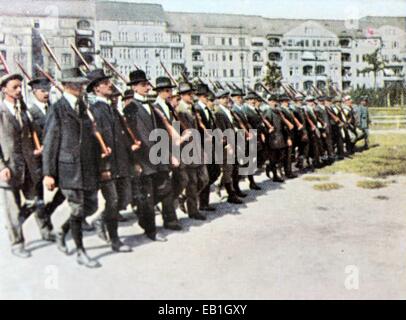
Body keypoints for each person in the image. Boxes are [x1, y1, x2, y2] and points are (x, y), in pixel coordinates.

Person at [42, 67, 105, 268]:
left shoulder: (82, 107)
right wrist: (48, 174)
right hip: (68, 169)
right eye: (75, 83)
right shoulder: (58, 109)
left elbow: (90, 139)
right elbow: (50, 143)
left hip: (88, 168)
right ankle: (80, 251)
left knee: (91, 206)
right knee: (77, 209)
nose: (80, 87)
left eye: (81, 83)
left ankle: (62, 230)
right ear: (65, 86)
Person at [124, 69, 176, 241]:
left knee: (165, 188)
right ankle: (151, 230)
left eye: (147, 84)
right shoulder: (130, 108)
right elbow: (130, 135)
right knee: (149, 195)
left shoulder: (151, 106)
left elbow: (161, 131)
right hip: (144, 158)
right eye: (143, 85)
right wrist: (135, 161)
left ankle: (144, 216)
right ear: (134, 87)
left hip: (158, 155)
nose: (147, 87)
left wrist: (168, 154)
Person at [86, 69, 134, 252]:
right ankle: (115, 241)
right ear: (97, 88)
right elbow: (96, 142)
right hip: (107, 166)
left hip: (121, 163)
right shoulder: (94, 111)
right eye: (106, 83)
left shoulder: (111, 108)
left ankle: (101, 219)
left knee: (123, 199)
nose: (110, 85)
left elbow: (120, 138)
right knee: (113, 201)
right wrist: (103, 166)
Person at [0, 72, 45, 258]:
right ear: (4, 90)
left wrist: (35, 150)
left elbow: (28, 136)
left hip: (28, 166)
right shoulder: (1, 112)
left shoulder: (24, 110)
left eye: (20, 87)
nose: (19, 90)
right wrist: (1, 167)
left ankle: (13, 224)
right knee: (12, 207)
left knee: (34, 201)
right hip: (8, 168)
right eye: (14, 88)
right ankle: (17, 242)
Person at [28, 77, 65, 239]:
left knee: (64, 190)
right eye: (42, 91)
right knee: (38, 197)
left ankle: (47, 213)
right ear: (34, 92)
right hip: (36, 160)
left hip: (53, 157)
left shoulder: (53, 109)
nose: (46, 93)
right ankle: (44, 229)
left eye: (47, 90)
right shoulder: (29, 112)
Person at [177, 82, 210, 219]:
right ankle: (193, 210)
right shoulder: (179, 110)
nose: (192, 96)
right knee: (192, 182)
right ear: (182, 95)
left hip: (197, 148)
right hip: (187, 150)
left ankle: (184, 197)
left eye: (192, 93)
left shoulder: (192, 109)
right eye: (189, 94)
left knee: (204, 179)